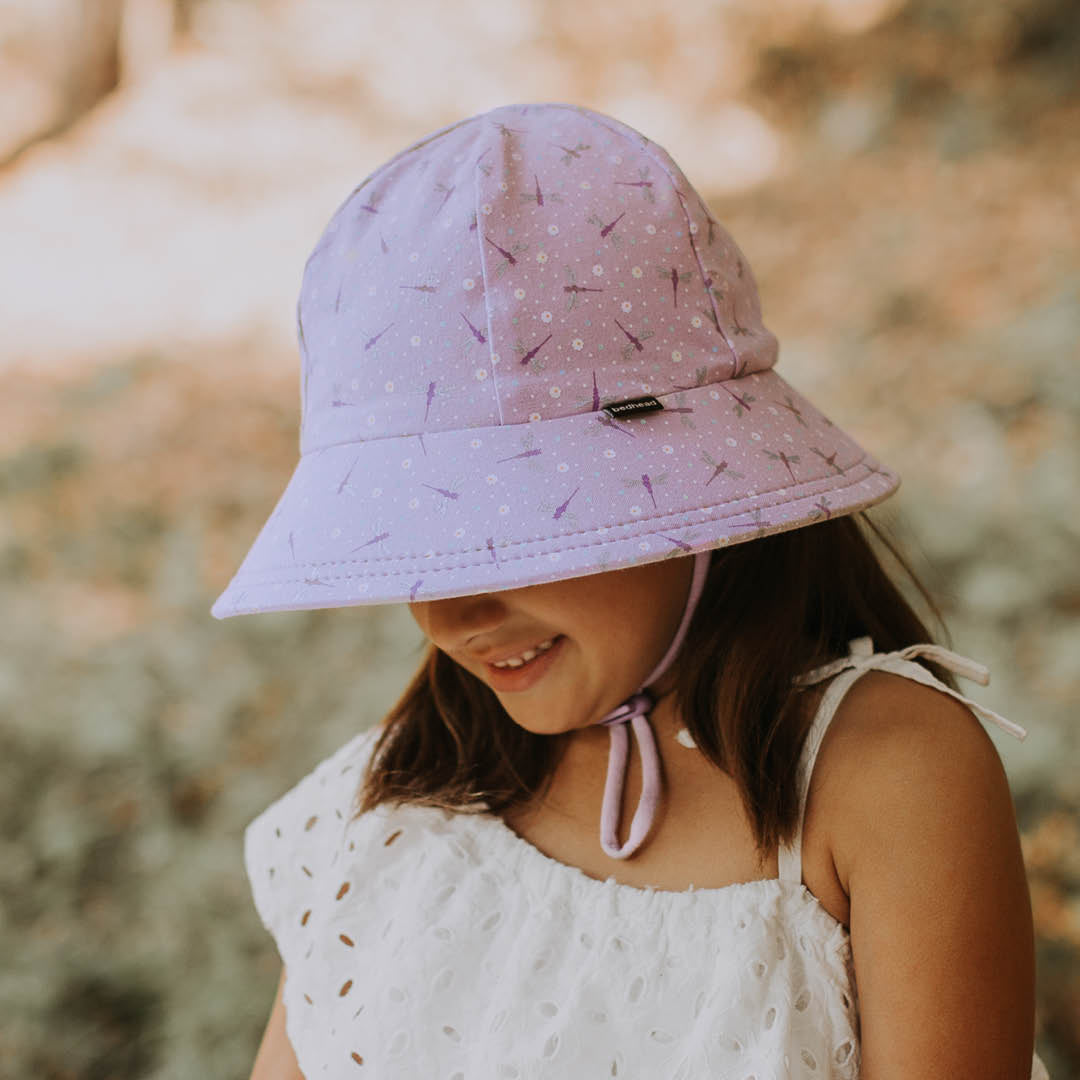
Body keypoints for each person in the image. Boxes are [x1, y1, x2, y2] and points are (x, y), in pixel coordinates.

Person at [211, 102, 1050, 1079]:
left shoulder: (882, 777)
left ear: (695, 489)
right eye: (422, 550)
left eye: (513, 535)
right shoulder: (394, 803)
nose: (445, 620)